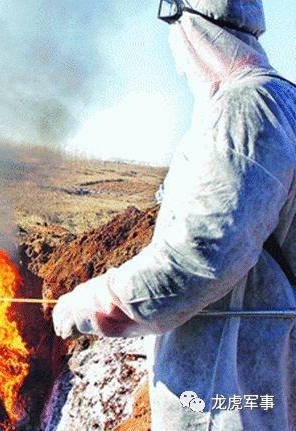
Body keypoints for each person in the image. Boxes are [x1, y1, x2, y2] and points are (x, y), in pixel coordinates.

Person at [52, 1, 296, 430]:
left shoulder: (244, 108)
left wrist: (93, 302)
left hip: (228, 397)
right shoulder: (282, 100)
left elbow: (198, 259)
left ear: (191, 27)